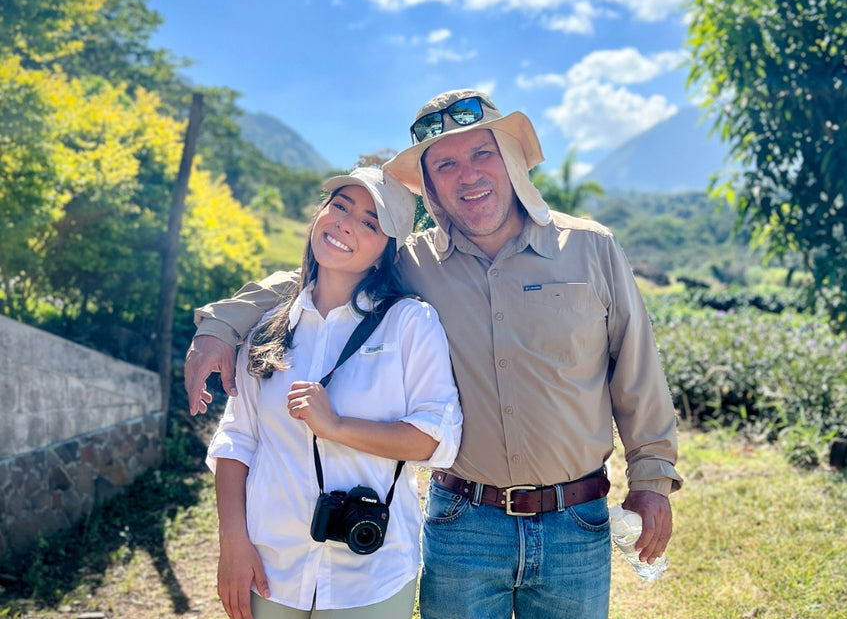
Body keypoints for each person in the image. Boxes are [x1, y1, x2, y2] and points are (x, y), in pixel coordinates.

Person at [188, 90, 682, 619]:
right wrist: (221, 324)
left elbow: (637, 371)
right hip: (461, 524)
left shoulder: (591, 248)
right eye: (445, 164)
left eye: (481, 154)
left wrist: (652, 481)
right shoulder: (414, 263)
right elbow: (317, 277)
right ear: (430, 187)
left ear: (511, 159)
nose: (467, 176)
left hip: (576, 521)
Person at [205, 167, 462, 619]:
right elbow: (237, 441)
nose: (345, 223)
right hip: (270, 564)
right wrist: (233, 543)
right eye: (340, 206)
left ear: (387, 252)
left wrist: (337, 427)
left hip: (370, 574)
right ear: (320, 214)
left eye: (370, 223)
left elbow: (436, 438)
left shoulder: (409, 323)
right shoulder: (268, 329)